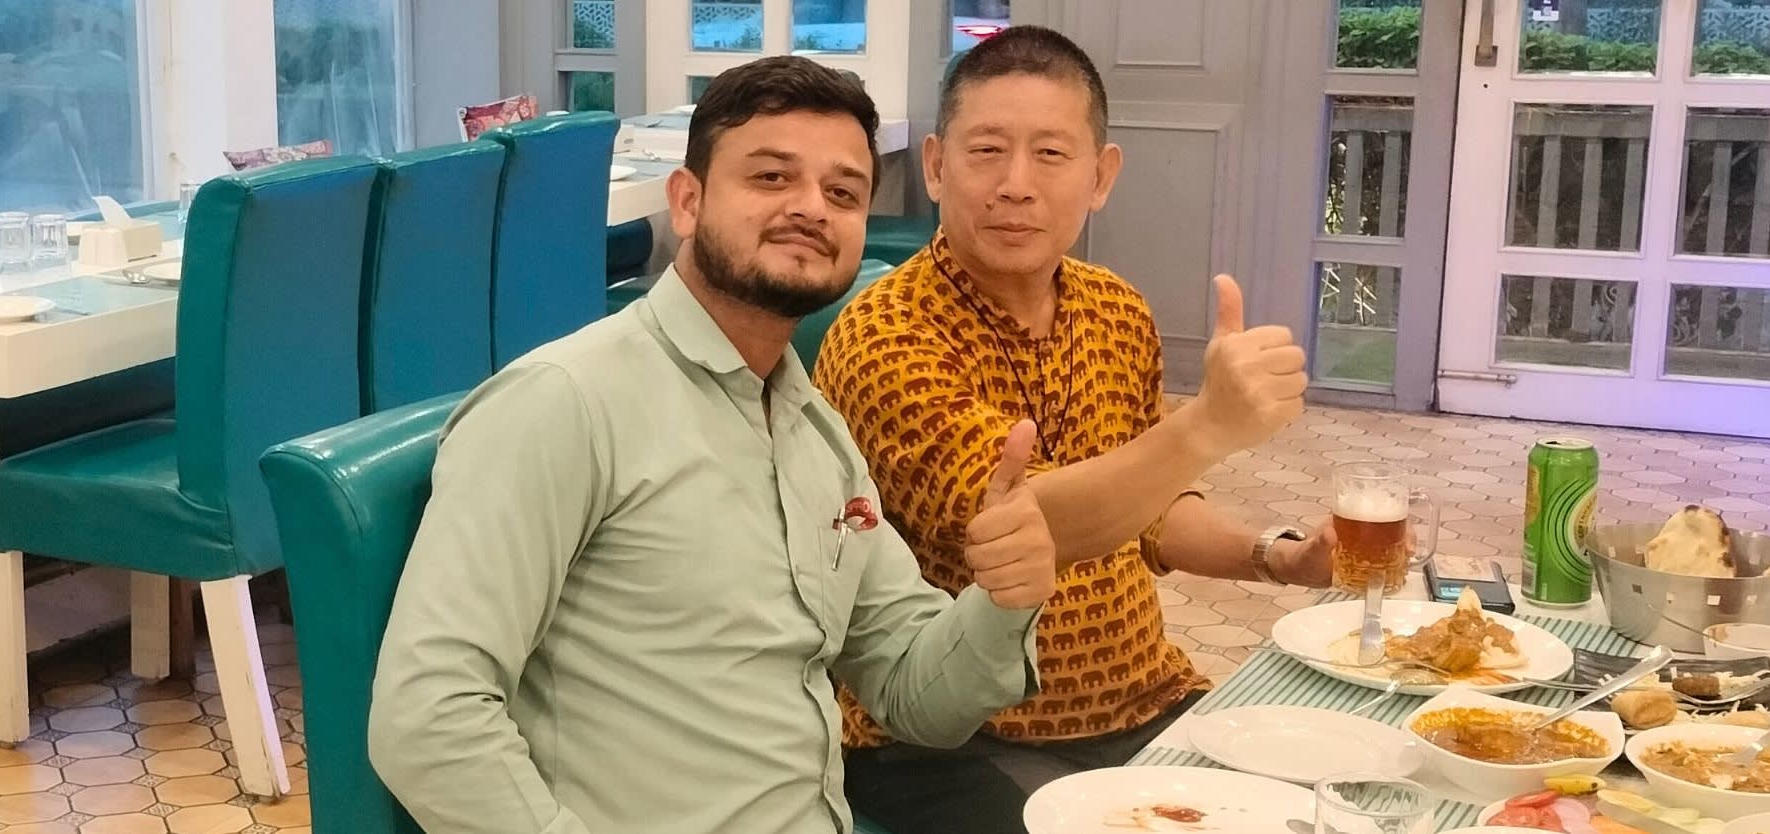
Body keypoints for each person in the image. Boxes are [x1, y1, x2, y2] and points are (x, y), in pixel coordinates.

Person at [370, 56, 1102, 834]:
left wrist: (1004, 599)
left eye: (843, 193)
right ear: (687, 202)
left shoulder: (816, 433)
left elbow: (914, 696)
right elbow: (429, 715)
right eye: (771, 177)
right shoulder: (564, 405)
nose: (811, 207)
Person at [810, 26, 1341, 834]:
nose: (1015, 186)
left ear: (1101, 177)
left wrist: (1277, 557)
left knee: (1321, 808)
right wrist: (1206, 426)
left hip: (1142, 703)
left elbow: (1149, 510)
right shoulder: (886, 334)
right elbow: (1023, 528)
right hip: (950, 741)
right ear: (936, 166)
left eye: (1051, 155)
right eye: (987, 151)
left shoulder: (1116, 308)